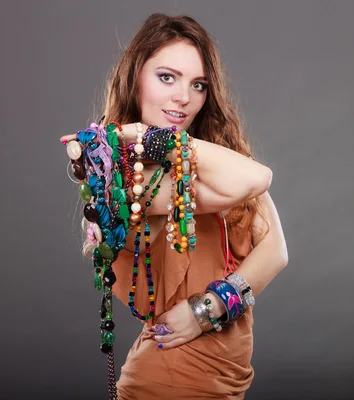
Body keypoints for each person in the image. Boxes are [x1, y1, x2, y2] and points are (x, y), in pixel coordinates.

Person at [60, 13, 288, 399]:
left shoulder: (210, 160)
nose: (184, 97)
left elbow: (276, 251)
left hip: (222, 376)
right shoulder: (127, 179)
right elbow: (257, 178)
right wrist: (149, 139)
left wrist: (210, 307)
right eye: (167, 77)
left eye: (198, 84)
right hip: (172, 377)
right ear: (135, 79)